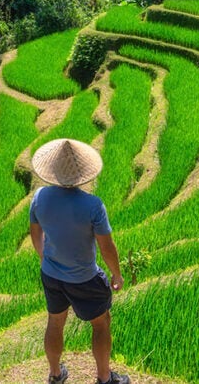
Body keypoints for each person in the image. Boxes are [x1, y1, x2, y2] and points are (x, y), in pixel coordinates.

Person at [30, 138, 130, 384]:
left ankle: (55, 374)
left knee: (55, 321)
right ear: (81, 174)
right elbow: (106, 246)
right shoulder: (93, 205)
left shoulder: (40, 196)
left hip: (51, 275)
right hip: (84, 278)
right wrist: (116, 274)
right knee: (101, 323)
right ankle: (104, 378)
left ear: (52, 172)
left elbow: (35, 234)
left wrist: (46, 259)